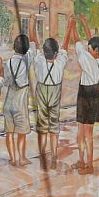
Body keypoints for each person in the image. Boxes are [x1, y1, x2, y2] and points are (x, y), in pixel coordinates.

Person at [74, 36, 99, 175]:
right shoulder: (97, 59)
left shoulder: (89, 60)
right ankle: (81, 161)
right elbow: (87, 43)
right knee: (81, 131)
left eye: (89, 49)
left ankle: (90, 165)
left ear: (95, 51)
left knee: (87, 133)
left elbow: (79, 48)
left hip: (89, 94)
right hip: (89, 91)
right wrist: (85, 25)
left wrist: (73, 28)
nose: (87, 50)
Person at [33, 37, 66, 170]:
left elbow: (35, 43)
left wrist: (32, 23)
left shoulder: (39, 60)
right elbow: (64, 48)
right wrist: (69, 27)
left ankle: (42, 157)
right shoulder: (60, 62)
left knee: (42, 127)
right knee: (54, 126)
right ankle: (53, 157)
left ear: (44, 51)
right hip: (55, 91)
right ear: (56, 54)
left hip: (42, 90)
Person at [4, 35, 33, 168]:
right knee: (21, 133)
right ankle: (22, 158)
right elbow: (34, 46)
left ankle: (13, 158)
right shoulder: (27, 59)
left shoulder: (8, 62)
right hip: (20, 101)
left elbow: (7, 81)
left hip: (9, 100)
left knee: (9, 132)